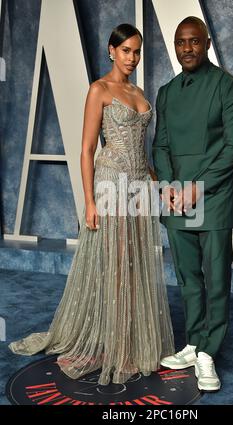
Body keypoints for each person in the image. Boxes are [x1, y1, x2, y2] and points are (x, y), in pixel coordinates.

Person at [9, 23, 174, 385]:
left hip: (138, 188)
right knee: (115, 266)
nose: (132, 57)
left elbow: (142, 149)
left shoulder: (140, 92)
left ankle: (133, 340)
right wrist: (89, 202)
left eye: (137, 51)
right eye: (126, 50)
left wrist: (156, 181)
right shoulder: (99, 90)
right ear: (111, 51)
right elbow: (86, 150)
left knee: (136, 264)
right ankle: (115, 345)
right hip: (110, 183)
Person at [153, 16, 233, 391]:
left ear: (207, 43)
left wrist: (199, 186)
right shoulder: (167, 91)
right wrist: (168, 186)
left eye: (194, 41)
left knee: (216, 279)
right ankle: (194, 343)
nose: (187, 48)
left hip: (214, 199)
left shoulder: (227, 87)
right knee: (188, 277)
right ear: (175, 47)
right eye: (181, 42)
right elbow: (160, 145)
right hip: (177, 200)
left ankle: (209, 352)